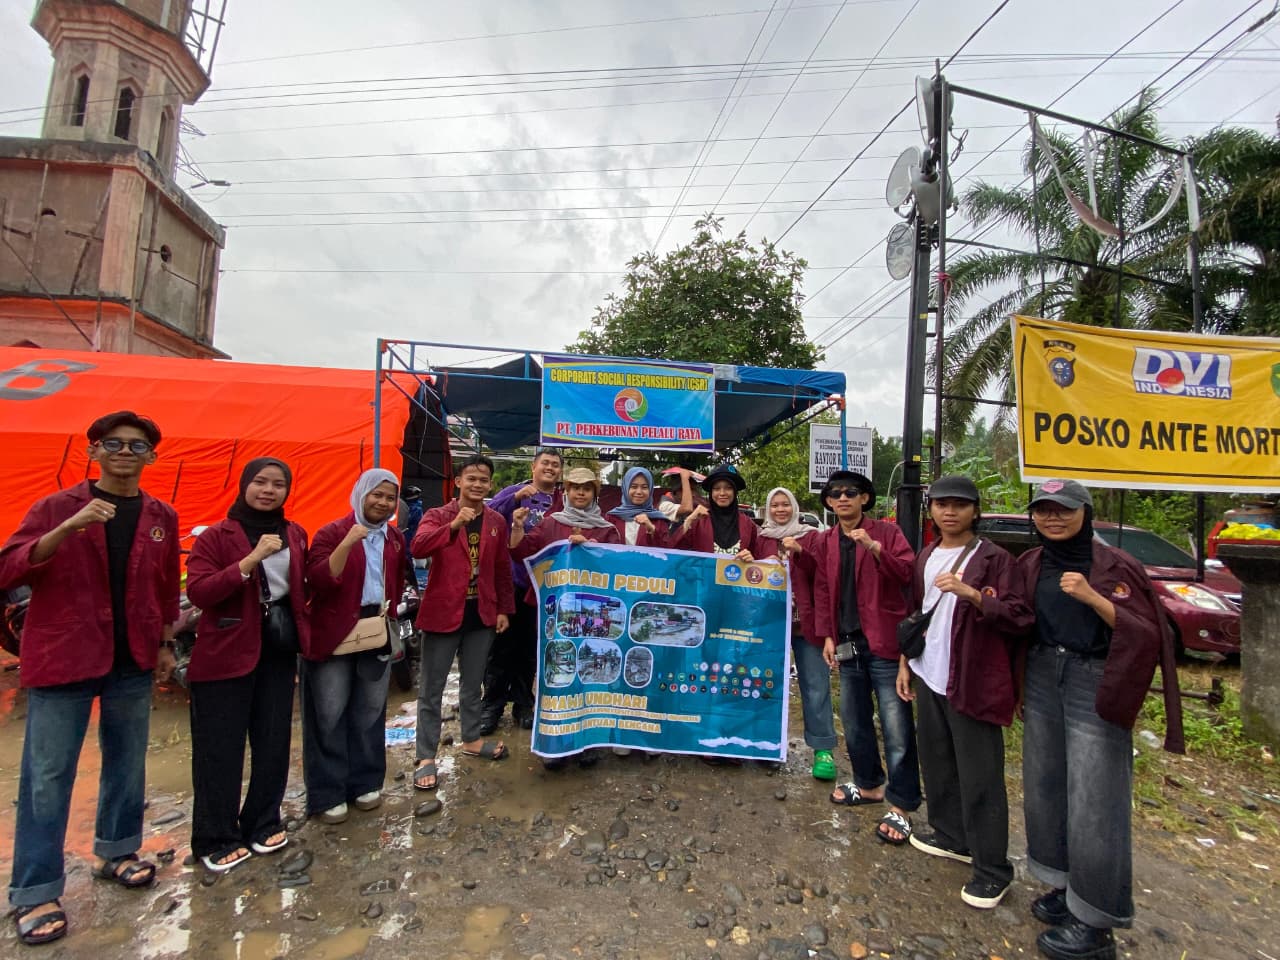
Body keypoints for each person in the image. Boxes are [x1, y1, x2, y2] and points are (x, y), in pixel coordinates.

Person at [0, 412, 179, 947]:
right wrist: (66, 530)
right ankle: (35, 889)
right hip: (65, 656)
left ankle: (118, 850)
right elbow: (10, 568)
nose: (126, 452)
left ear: (150, 457)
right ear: (94, 452)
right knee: (48, 774)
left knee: (126, 762)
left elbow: (166, 584)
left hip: (133, 657)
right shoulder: (57, 507)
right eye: (114, 444)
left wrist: (166, 643)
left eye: (138, 446)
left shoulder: (160, 514)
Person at [1015, 479, 1183, 960]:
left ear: (1085, 513)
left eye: (1063, 510)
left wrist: (1092, 597)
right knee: (1046, 786)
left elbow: (1149, 634)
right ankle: (1066, 890)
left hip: (1094, 677)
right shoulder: (1032, 563)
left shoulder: (1115, 566)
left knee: (1096, 797)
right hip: (1045, 673)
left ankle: (1095, 922)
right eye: (1043, 510)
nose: (1052, 518)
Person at [895, 475, 1022, 910]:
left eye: (959, 505)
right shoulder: (927, 554)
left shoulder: (996, 559)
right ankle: (951, 836)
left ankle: (993, 869)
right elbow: (917, 612)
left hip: (973, 680)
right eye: (941, 504)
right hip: (930, 674)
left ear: (975, 510)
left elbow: (1020, 617)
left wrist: (972, 594)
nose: (949, 512)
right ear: (930, 509)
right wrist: (906, 664)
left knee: (980, 774)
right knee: (939, 760)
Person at [185, 458, 310, 874]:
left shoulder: (295, 533)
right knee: (219, 748)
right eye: (260, 482)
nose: (269, 490)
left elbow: (301, 587)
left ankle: (263, 819)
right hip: (224, 654)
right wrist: (250, 560)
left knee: (273, 741)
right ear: (243, 485)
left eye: (278, 484)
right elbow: (201, 591)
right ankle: (215, 835)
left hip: (276, 650)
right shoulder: (215, 537)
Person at [812, 470, 919, 845]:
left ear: (864, 499)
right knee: (854, 720)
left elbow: (907, 574)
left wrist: (875, 548)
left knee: (896, 726)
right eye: (836, 494)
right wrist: (826, 634)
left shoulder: (888, 534)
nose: (843, 499)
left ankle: (902, 804)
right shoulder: (826, 540)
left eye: (851, 493)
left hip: (885, 644)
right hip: (847, 643)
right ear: (828, 502)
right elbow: (823, 589)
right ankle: (869, 784)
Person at [303, 469, 406, 825]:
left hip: (376, 629)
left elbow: (398, 579)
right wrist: (349, 542)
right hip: (334, 631)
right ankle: (328, 792)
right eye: (376, 494)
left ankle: (364, 782)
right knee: (329, 713)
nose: (383, 502)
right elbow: (319, 580)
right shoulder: (332, 532)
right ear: (360, 493)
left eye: (390, 497)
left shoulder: (393, 537)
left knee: (370, 710)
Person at [411, 455, 514, 790]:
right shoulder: (437, 515)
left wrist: (503, 610)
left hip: (481, 613)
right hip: (443, 613)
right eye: (471, 478)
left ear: (491, 485)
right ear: (458, 482)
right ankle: (426, 755)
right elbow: (418, 547)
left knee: (473, 684)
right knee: (432, 688)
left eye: (484, 480)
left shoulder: (496, 520)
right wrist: (453, 526)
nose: (478, 485)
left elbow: (501, 568)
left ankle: (470, 738)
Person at [510, 466, 622, 770]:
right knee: (556, 674)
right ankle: (555, 743)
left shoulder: (607, 528)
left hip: (594, 618)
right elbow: (521, 551)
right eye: (575, 488)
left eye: (587, 488)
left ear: (595, 493)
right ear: (566, 492)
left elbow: (621, 566)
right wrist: (518, 527)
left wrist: (600, 552)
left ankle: (587, 741)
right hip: (555, 618)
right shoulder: (550, 525)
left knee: (589, 673)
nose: (581, 493)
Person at [755, 487, 833, 781]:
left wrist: (801, 553)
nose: (780, 510)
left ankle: (823, 750)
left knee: (815, 685)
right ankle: (768, 745)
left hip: (806, 624)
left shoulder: (811, 536)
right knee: (768, 685)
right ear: (767, 509)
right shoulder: (762, 538)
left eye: (785, 504)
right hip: (770, 624)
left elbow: (823, 574)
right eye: (774, 505)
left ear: (794, 507)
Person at [482, 448, 563, 733]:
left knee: (530, 650)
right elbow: (489, 513)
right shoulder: (515, 492)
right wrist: (515, 498)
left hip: (543, 589)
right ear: (533, 467)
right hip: (511, 584)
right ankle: (491, 706)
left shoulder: (561, 501)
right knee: (500, 649)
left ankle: (523, 705)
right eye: (545, 463)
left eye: (555, 465)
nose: (550, 468)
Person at [671, 463, 758, 559]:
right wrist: (689, 520)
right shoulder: (699, 521)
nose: (722, 493)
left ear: (735, 491)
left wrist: (752, 559)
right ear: (711, 493)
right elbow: (671, 549)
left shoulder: (748, 524)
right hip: (704, 574)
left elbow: (759, 560)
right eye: (716, 489)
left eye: (728, 488)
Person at [606, 467, 671, 546]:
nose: (639, 492)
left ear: (650, 490)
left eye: (644, 487)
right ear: (626, 488)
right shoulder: (612, 518)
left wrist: (652, 530)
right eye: (634, 487)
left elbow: (666, 551)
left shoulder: (659, 521)